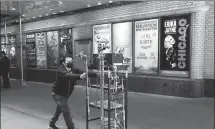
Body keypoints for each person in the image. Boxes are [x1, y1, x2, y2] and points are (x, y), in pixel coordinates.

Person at [49, 55, 96, 129]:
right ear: (64, 63)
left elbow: (84, 72)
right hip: (58, 94)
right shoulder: (61, 70)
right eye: (68, 62)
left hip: (65, 95)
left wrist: (95, 74)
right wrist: (80, 76)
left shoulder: (73, 68)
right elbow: (68, 76)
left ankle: (52, 124)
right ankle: (71, 127)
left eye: (71, 61)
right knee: (65, 110)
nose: (70, 63)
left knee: (59, 109)